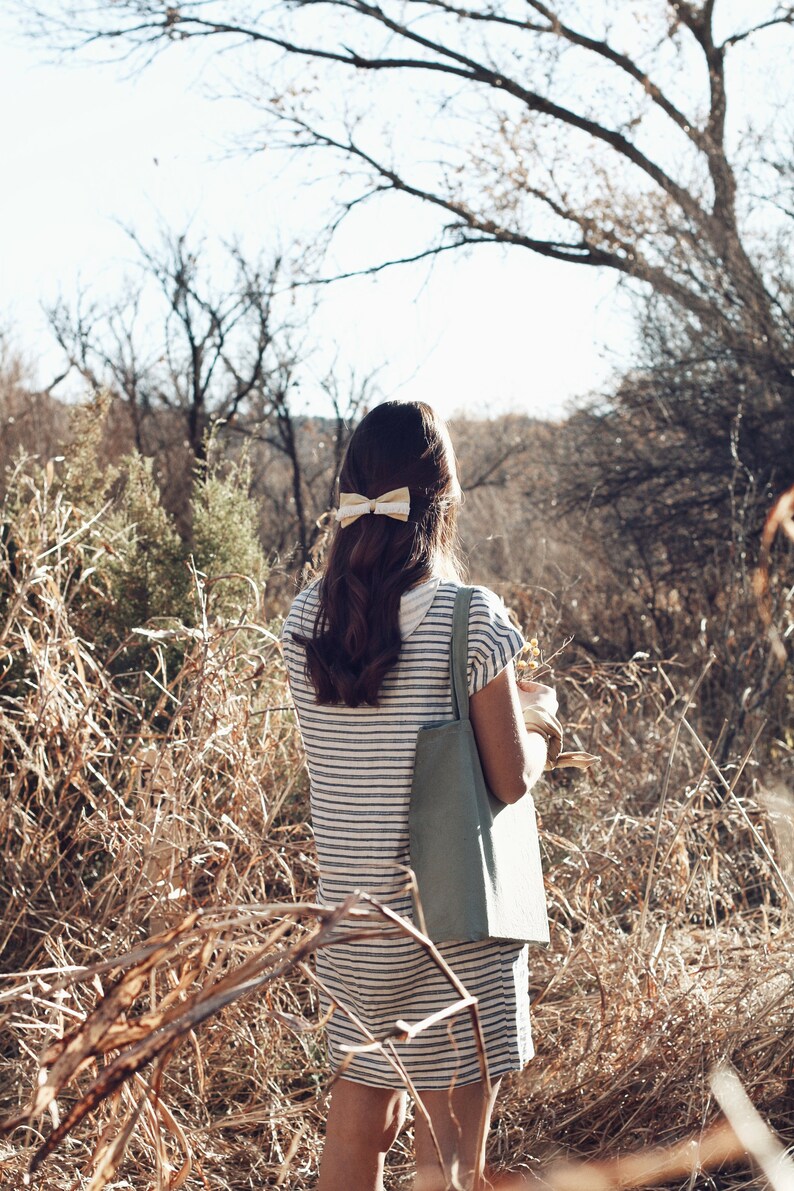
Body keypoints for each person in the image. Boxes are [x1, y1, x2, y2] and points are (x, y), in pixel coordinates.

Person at [280, 401, 556, 1191]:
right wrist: (543, 727)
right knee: (446, 1159)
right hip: (453, 929)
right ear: (442, 497)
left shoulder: (306, 619)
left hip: (355, 921)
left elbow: (356, 753)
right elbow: (508, 778)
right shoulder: (470, 617)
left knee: (358, 1125)